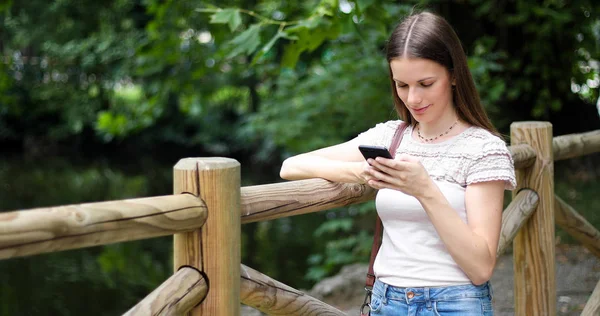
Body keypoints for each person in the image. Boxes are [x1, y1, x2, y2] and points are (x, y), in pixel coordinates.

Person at [279, 10, 516, 316]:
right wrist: (357, 172)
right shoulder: (390, 136)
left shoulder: (483, 149)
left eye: (425, 83)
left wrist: (424, 190)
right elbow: (291, 166)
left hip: (455, 303)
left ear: (454, 74)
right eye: (402, 86)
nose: (413, 98)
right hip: (385, 301)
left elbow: (481, 267)